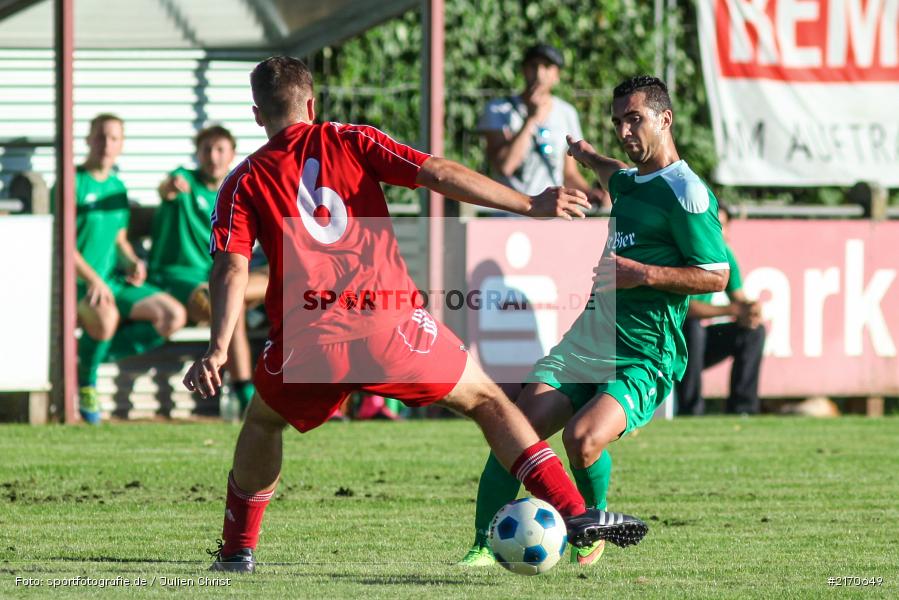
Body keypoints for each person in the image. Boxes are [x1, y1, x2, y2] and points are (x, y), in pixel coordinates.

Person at [182, 56, 648, 573]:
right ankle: (575, 512)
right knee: (490, 402)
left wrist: (218, 349)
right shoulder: (352, 139)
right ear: (311, 105)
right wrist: (527, 204)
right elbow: (439, 173)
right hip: (390, 326)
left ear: (257, 115)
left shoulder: (242, 181)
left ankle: (237, 552)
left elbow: (230, 268)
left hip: (309, 340)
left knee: (263, 423)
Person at [459, 76, 729, 567]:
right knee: (516, 430)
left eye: (635, 119)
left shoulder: (688, 193)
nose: (624, 131)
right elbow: (611, 172)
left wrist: (642, 274)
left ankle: (592, 524)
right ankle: (482, 544)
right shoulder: (627, 181)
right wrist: (583, 154)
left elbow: (716, 275)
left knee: (581, 439)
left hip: (645, 353)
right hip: (588, 340)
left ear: (665, 119)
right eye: (618, 121)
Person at [66, 114, 187, 424]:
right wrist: (92, 280)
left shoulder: (117, 188)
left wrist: (133, 262)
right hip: (76, 283)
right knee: (106, 319)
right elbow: (62, 244)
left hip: (113, 282)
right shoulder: (71, 182)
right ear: (88, 140)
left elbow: (119, 240)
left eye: (114, 138)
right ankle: (87, 382)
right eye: (100, 136)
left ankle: (86, 359)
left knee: (173, 315)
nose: (106, 144)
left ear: (121, 144)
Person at [148, 125, 267, 416]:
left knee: (278, 280)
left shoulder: (238, 189)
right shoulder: (185, 181)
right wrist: (170, 187)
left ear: (232, 154)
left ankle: (264, 390)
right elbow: (167, 189)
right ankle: (245, 393)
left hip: (221, 278)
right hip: (182, 279)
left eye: (220, 150)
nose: (213, 157)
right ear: (197, 154)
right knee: (229, 304)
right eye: (207, 150)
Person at [479, 43, 609, 210]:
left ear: (557, 75)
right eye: (534, 66)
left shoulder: (566, 112)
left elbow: (569, 174)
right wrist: (531, 119)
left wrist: (589, 194)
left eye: (547, 67)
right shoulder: (498, 109)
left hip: (551, 214)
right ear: (524, 70)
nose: (539, 74)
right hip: (510, 214)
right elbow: (505, 167)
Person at [676, 202, 765, 415]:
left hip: (697, 345)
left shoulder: (725, 256)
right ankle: (691, 410)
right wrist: (734, 310)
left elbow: (739, 300)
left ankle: (743, 410)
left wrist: (751, 311)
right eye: (714, 224)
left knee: (754, 332)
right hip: (670, 343)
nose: (718, 231)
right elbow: (684, 309)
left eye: (722, 225)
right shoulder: (684, 252)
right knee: (693, 327)